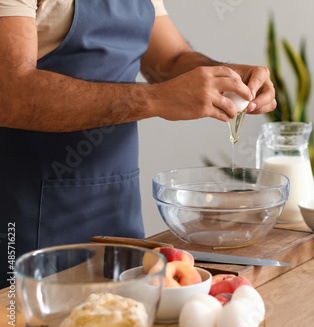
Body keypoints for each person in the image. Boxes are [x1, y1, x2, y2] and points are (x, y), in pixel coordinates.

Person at [0, 0, 275, 286]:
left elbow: (170, 60)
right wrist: (157, 98)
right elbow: (10, 92)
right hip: (29, 214)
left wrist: (226, 75)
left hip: (119, 207)